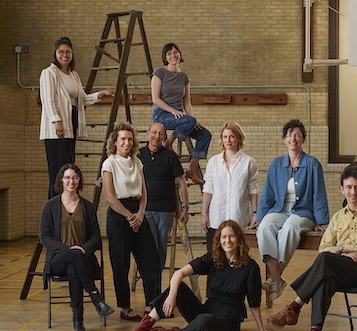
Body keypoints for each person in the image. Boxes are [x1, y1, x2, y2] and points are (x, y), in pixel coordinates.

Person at [265, 166, 357, 331]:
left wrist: (343, 248)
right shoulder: (337, 217)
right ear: (342, 189)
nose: (353, 192)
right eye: (349, 187)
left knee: (326, 262)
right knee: (324, 277)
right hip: (338, 268)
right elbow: (324, 248)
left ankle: (295, 306)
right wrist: (343, 254)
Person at [118, 220, 282, 331]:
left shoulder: (250, 267)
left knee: (205, 320)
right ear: (219, 240)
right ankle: (144, 327)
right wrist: (172, 295)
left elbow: (254, 303)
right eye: (224, 237)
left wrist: (262, 330)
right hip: (206, 311)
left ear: (239, 239)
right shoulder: (214, 258)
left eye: (231, 236)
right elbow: (179, 273)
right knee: (179, 288)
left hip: (228, 323)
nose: (228, 240)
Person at [252, 119, 330, 302]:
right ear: (284, 139)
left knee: (289, 228)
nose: (293, 139)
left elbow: (319, 194)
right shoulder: (276, 164)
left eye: (297, 135)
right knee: (265, 228)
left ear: (303, 139)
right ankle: (277, 280)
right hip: (279, 209)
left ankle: (276, 278)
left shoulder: (312, 164)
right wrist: (260, 217)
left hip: (303, 213)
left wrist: (322, 221)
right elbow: (267, 194)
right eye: (289, 135)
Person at [39, 163, 114, 331]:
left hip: (83, 258)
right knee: (73, 259)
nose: (71, 181)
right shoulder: (50, 206)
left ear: (79, 180)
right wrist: (68, 249)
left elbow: (96, 236)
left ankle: (78, 321)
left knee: (75, 268)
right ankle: (96, 298)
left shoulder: (87, 207)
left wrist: (82, 249)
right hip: (58, 259)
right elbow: (45, 237)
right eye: (67, 178)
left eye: (74, 177)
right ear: (61, 180)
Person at [101, 122, 161, 321]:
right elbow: (109, 197)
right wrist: (129, 216)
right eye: (123, 139)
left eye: (129, 139)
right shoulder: (109, 163)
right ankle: (125, 308)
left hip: (138, 212)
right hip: (119, 216)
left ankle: (152, 304)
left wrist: (141, 214)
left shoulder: (137, 162)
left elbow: (144, 191)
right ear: (115, 142)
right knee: (121, 264)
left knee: (151, 260)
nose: (127, 142)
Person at [39, 36, 112, 198]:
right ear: (55, 54)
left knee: (68, 169)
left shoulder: (74, 75)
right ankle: (55, 209)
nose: (65, 55)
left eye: (68, 52)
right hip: (56, 129)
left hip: (70, 124)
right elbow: (48, 100)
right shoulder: (49, 73)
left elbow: (83, 99)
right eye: (61, 52)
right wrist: (56, 121)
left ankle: (67, 203)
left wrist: (100, 94)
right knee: (58, 174)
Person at [151, 42, 211, 184]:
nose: (173, 55)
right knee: (188, 120)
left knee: (205, 134)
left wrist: (192, 119)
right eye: (169, 53)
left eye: (175, 52)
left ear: (180, 55)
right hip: (162, 114)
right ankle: (169, 142)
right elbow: (155, 99)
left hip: (180, 118)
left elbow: (187, 103)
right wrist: (173, 111)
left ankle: (191, 169)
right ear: (165, 57)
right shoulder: (159, 73)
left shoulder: (184, 77)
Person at [200, 121, 258, 253]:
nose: (228, 140)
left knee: (239, 256)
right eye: (225, 137)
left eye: (232, 136)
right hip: (216, 217)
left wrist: (255, 213)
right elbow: (208, 188)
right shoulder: (214, 162)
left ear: (238, 137)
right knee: (214, 256)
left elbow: (252, 189)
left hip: (239, 216)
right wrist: (204, 214)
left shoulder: (249, 162)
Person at [138, 122, 189, 269]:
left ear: (164, 137)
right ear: (148, 133)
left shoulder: (170, 156)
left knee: (161, 243)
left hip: (166, 210)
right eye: (154, 132)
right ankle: (150, 272)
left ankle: (157, 272)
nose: (157, 136)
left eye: (160, 133)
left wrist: (185, 207)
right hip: (145, 208)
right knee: (150, 242)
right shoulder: (139, 154)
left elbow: (182, 183)